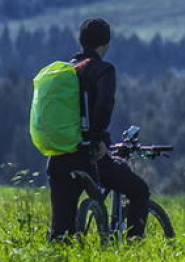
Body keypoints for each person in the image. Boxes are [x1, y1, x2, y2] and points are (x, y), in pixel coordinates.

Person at [46, 18, 150, 241]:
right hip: (90, 156)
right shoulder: (103, 70)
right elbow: (103, 106)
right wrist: (97, 141)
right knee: (139, 191)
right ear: (106, 44)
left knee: (61, 232)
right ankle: (133, 248)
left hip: (58, 155)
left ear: (81, 41)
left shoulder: (64, 72)